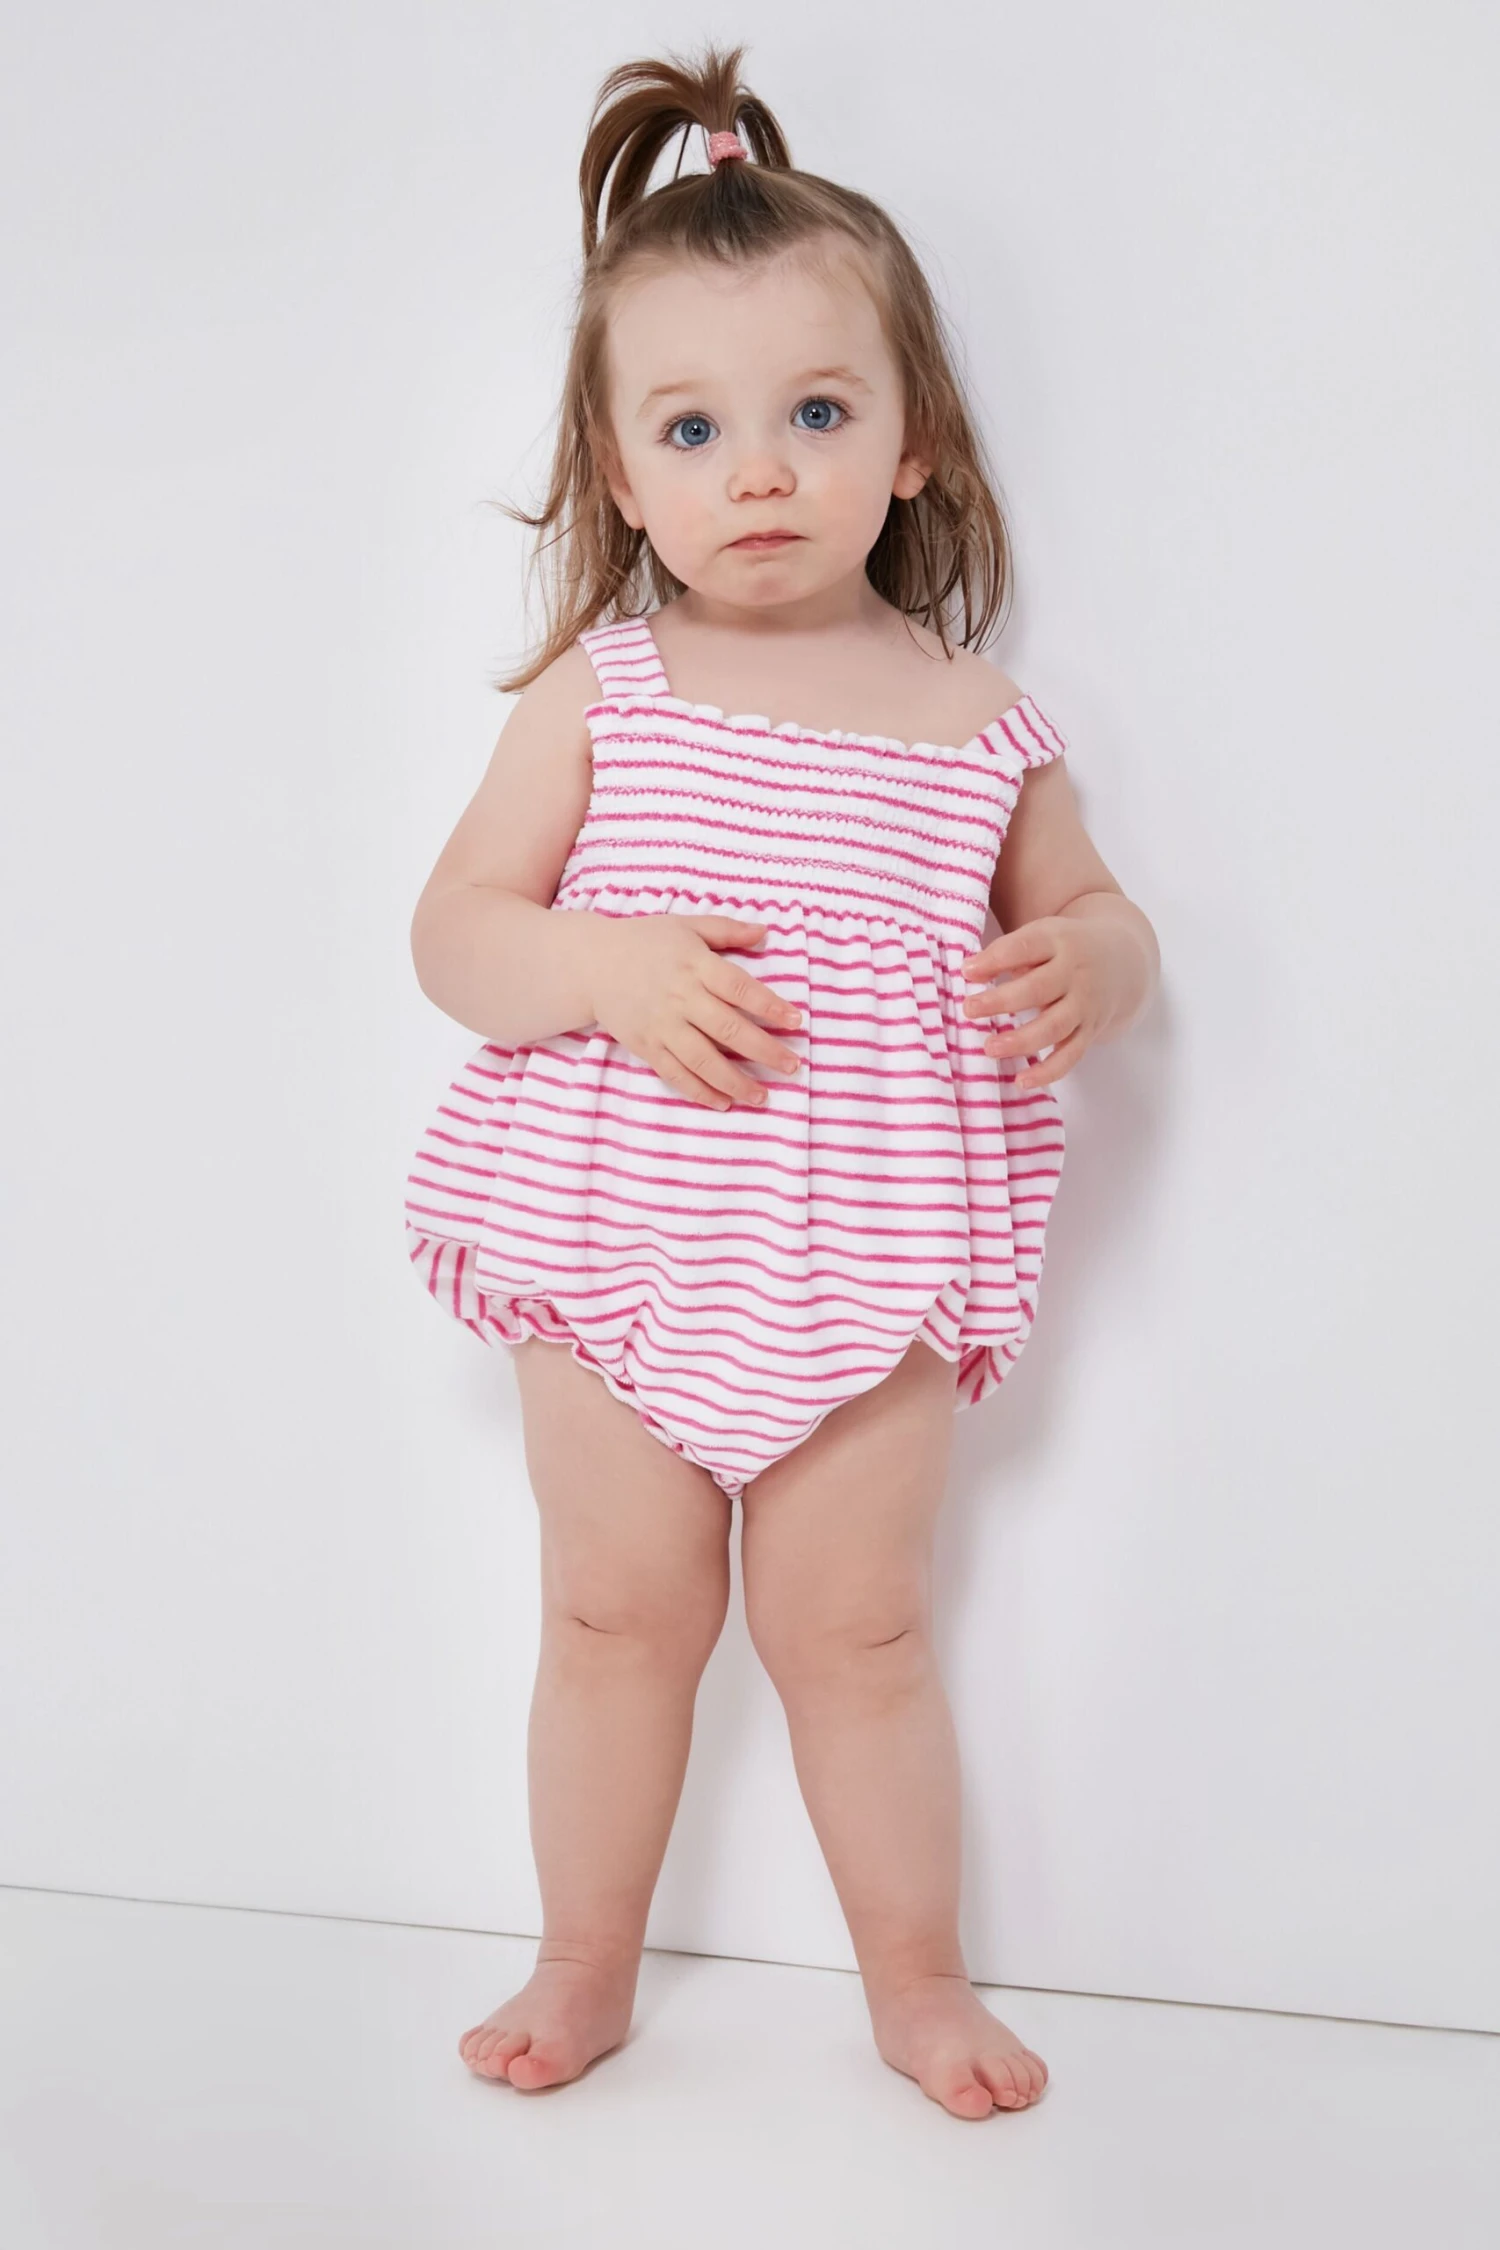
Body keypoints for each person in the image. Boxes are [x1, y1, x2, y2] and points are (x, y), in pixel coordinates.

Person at [404, 41, 1160, 2121]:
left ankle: (917, 1978)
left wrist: (1092, 962)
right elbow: (455, 933)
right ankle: (583, 1960)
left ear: (914, 446)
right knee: (610, 1613)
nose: (759, 471)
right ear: (622, 472)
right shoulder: (606, 692)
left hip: (870, 1252)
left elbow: (1102, 913)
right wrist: (598, 962)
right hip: (618, 1239)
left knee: (861, 1631)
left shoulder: (976, 720)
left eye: (818, 414)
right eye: (695, 428)